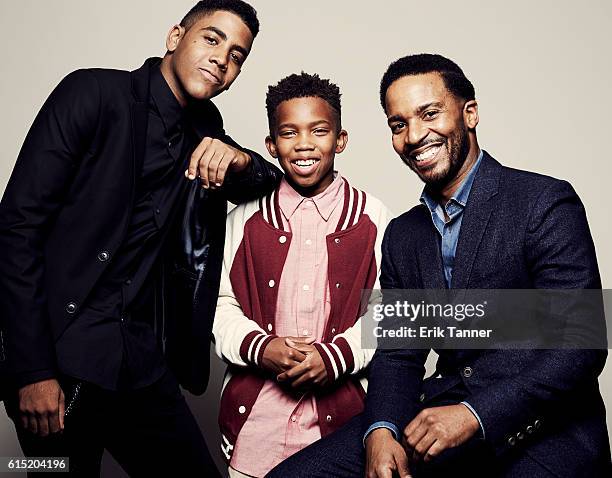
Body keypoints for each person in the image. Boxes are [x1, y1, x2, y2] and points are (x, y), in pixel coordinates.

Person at [267, 54, 610, 477]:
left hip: (544, 433)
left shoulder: (544, 202)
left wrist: (474, 414)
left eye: (429, 114)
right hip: (439, 416)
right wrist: (381, 430)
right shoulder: (402, 234)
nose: (413, 135)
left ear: (470, 114)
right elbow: (398, 351)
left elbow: (581, 344)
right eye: (398, 124)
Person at [0, 0, 281, 475]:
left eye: (237, 55)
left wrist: (240, 159)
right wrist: (32, 372)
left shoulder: (205, 129)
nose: (222, 59)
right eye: (212, 39)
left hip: (143, 365)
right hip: (59, 362)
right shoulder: (91, 92)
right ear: (175, 36)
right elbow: (15, 230)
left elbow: (268, 184)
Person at [213, 72, 391, 477]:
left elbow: (386, 314)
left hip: (339, 429)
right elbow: (221, 304)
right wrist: (263, 348)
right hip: (254, 428)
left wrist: (335, 358)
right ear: (271, 145)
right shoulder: (244, 220)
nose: (305, 144)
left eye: (319, 130)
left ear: (341, 140)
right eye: (289, 133)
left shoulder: (375, 219)